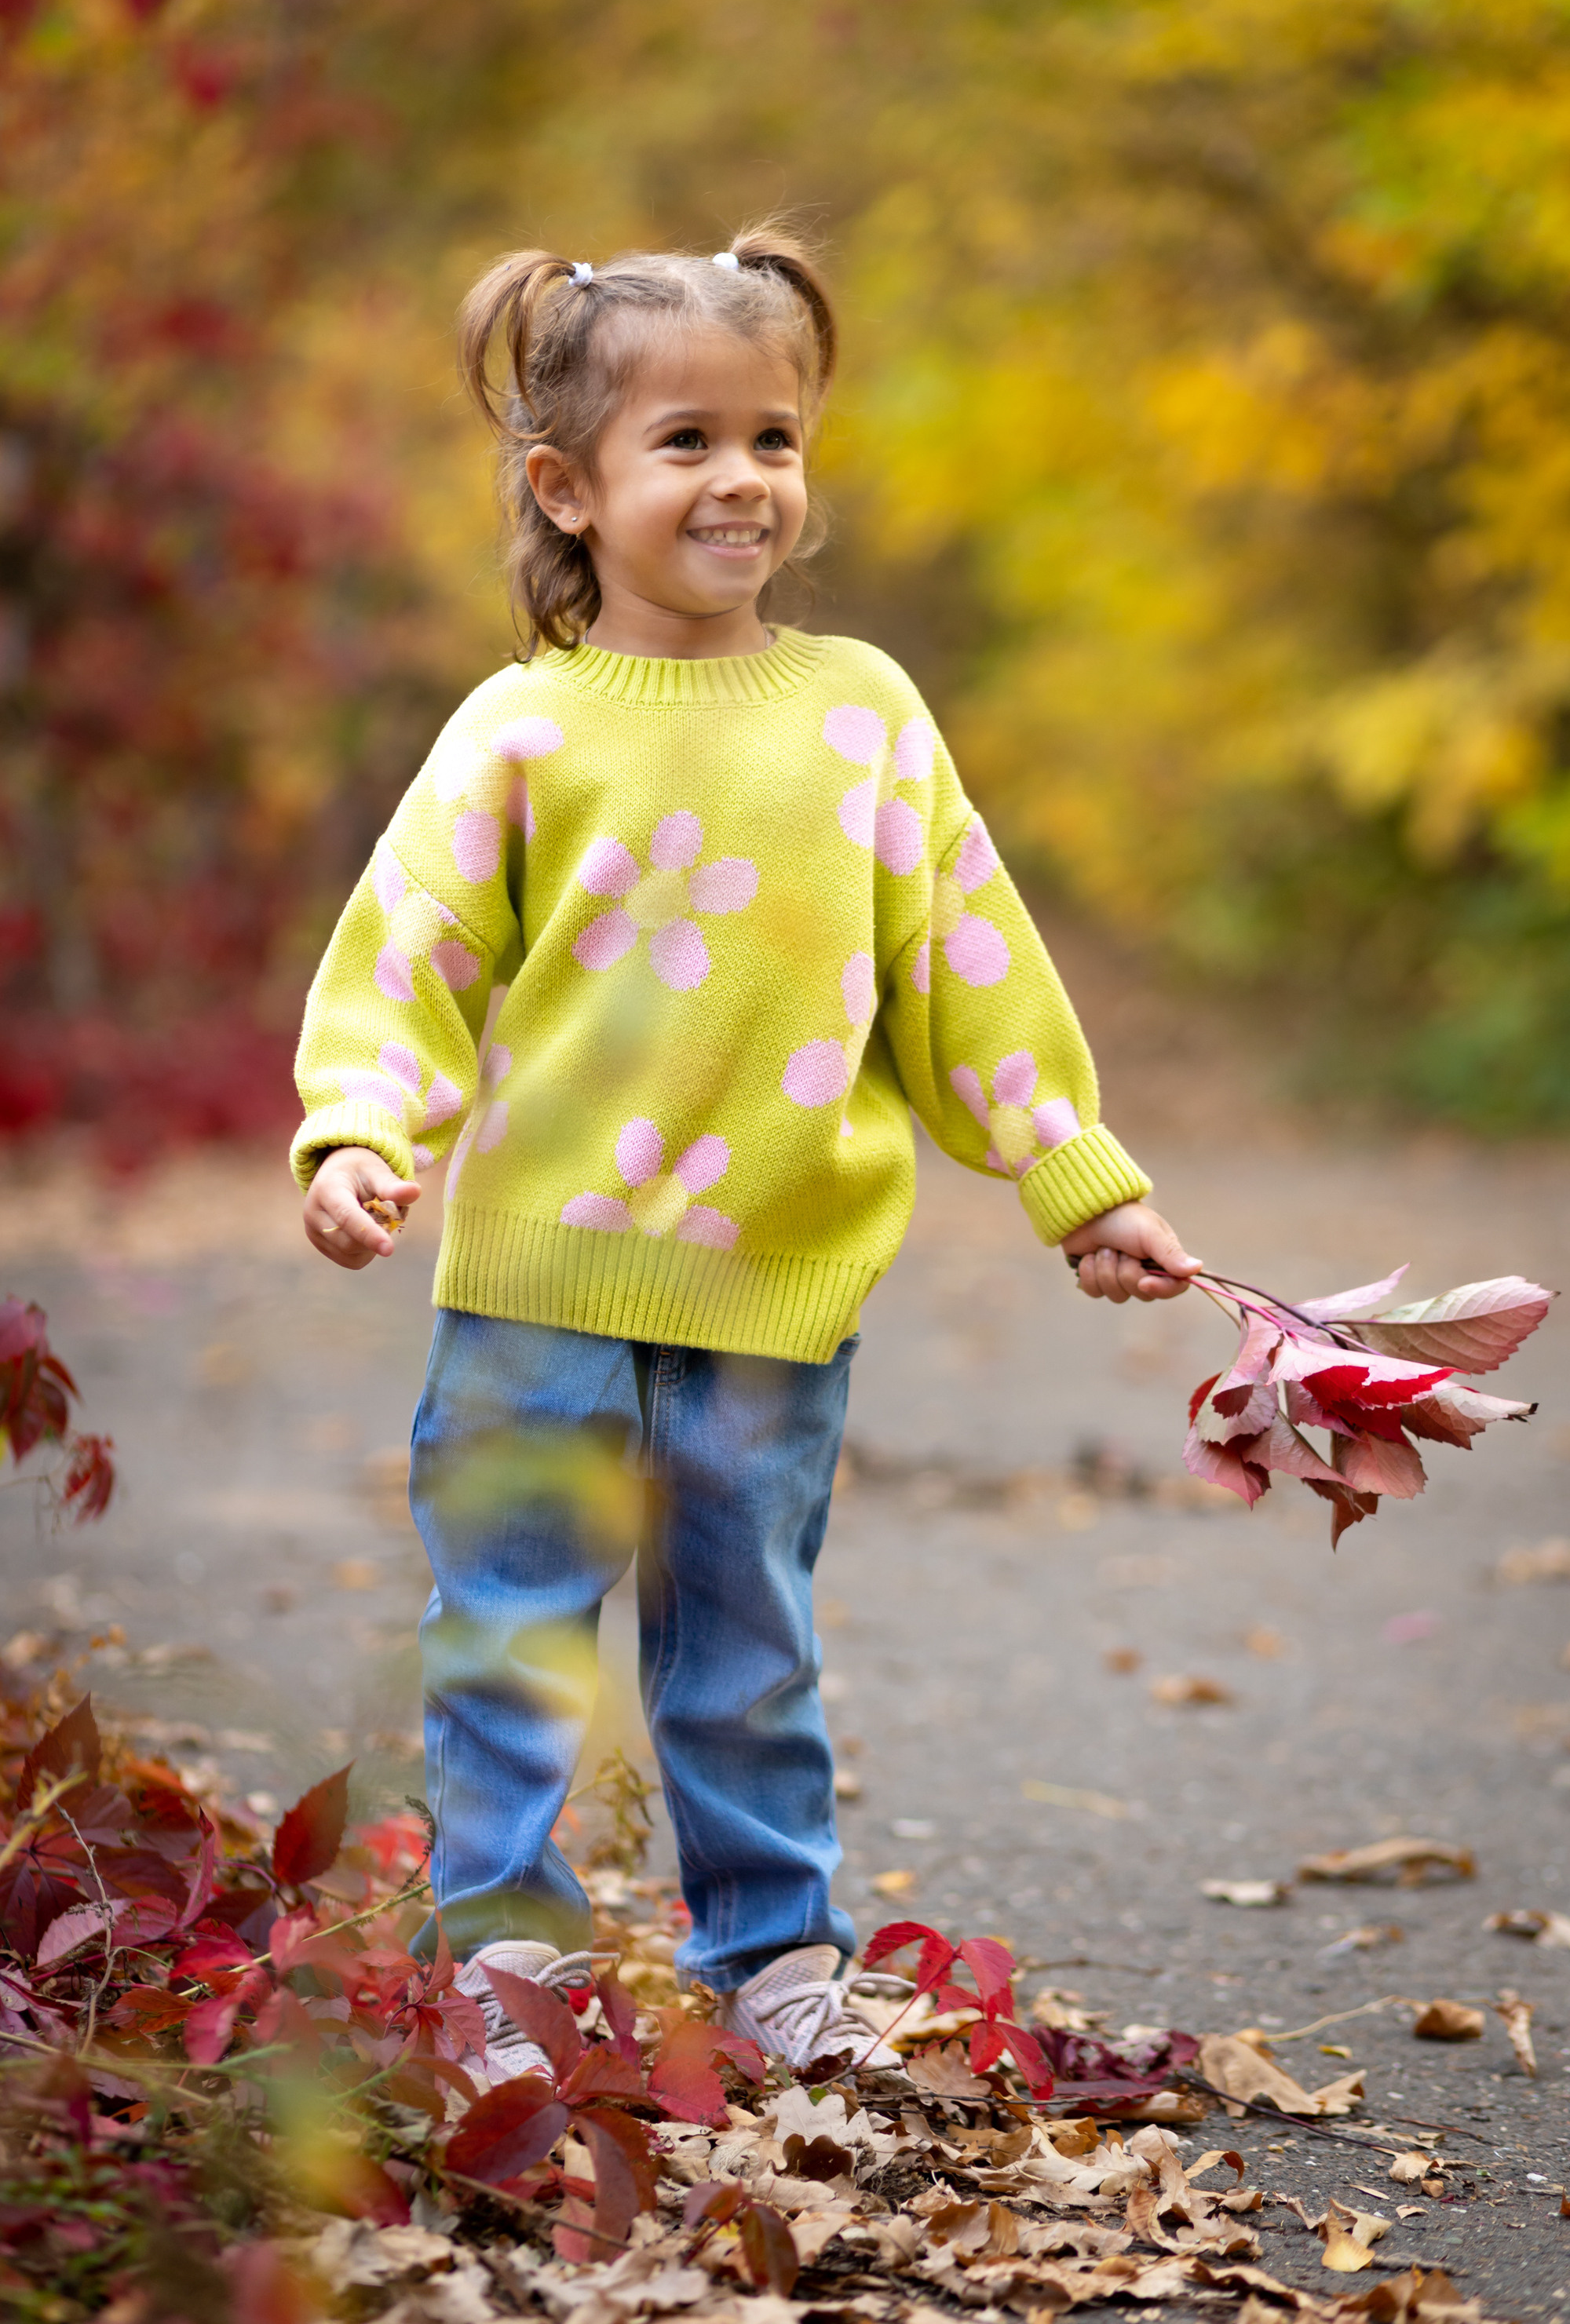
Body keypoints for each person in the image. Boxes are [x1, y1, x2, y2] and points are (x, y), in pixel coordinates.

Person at [290, 225, 1199, 2081]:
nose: (741, 481)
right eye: (686, 440)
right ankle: (502, 1957)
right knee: (514, 1621)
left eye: (772, 438)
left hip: (778, 1274)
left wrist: (1074, 1179)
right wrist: (360, 1128)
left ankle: (773, 1952)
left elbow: (969, 968)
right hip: (539, 1269)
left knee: (745, 1647)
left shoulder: (859, 711)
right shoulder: (524, 724)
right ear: (568, 486)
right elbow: (411, 953)